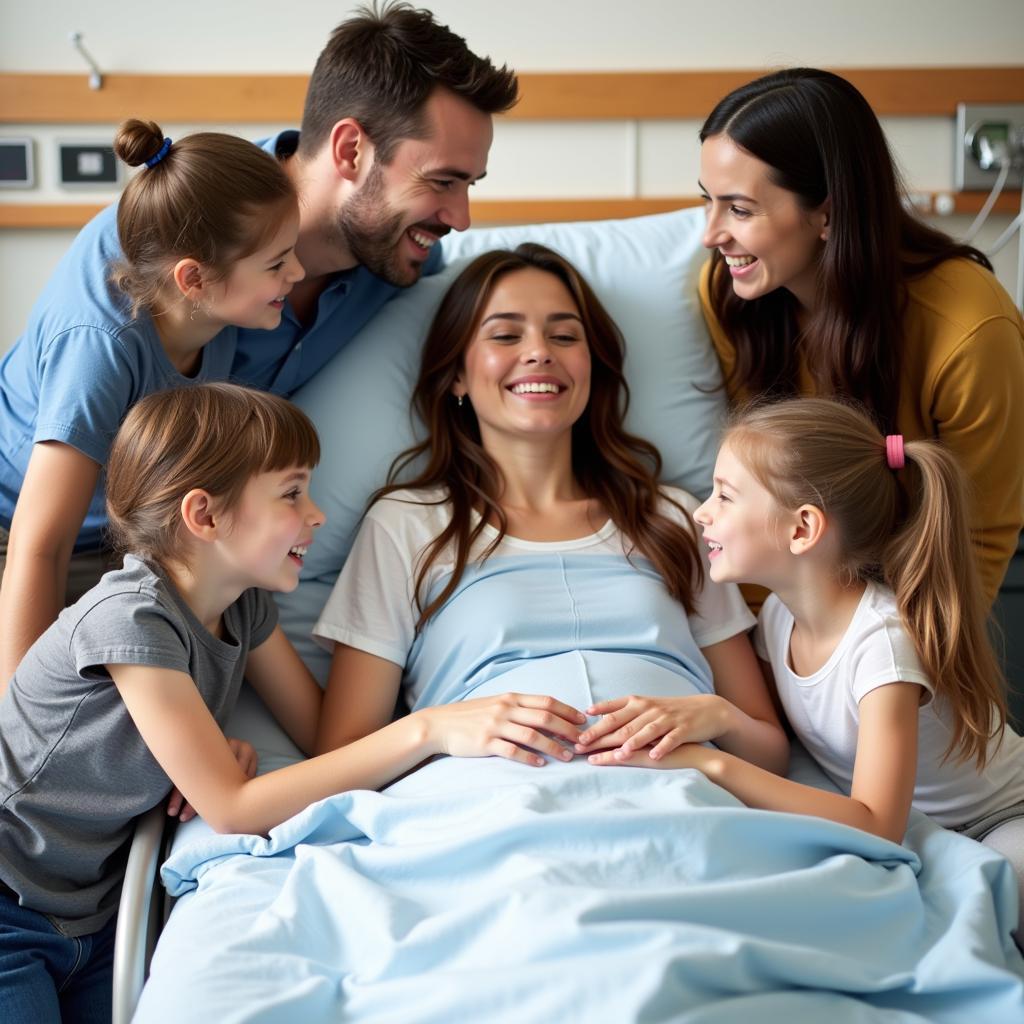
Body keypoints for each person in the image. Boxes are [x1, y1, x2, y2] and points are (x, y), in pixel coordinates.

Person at [0, 381, 587, 1024]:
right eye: (291, 492)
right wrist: (429, 730)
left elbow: (327, 742)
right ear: (206, 516)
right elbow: (232, 808)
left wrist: (202, 753)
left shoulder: (245, 607)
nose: (318, 514)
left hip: (89, 914)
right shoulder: (129, 620)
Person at [0, 2, 519, 681]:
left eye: (470, 187)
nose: (460, 217)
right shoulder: (143, 277)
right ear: (351, 150)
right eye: (442, 183)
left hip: (161, 557)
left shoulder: (396, 262)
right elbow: (41, 545)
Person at [312, 244, 789, 783]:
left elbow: (770, 754)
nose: (539, 352)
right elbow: (341, 753)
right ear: (457, 376)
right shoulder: (406, 525)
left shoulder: (679, 518)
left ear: (594, 367)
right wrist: (437, 727)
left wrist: (718, 716)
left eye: (564, 336)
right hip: (492, 807)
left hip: (679, 798)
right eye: (505, 335)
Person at [588, 397, 1024, 934]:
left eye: (724, 495)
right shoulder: (778, 615)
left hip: (998, 820)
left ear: (802, 529)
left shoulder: (882, 647)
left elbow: (876, 825)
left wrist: (710, 764)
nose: (701, 511)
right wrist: (720, 716)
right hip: (920, 825)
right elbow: (777, 752)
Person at [696, 67, 1024, 608]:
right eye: (707, 200)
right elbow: (750, 503)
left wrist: (898, 676)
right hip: (788, 614)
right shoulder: (730, 296)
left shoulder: (970, 331)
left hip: (912, 616)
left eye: (739, 209)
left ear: (826, 211)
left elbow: (978, 541)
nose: (710, 234)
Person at [0, 119, 305, 686]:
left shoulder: (221, 310)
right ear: (194, 278)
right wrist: (18, 726)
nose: (298, 272)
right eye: (277, 263)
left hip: (114, 540)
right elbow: (39, 545)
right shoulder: (100, 346)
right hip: (15, 532)